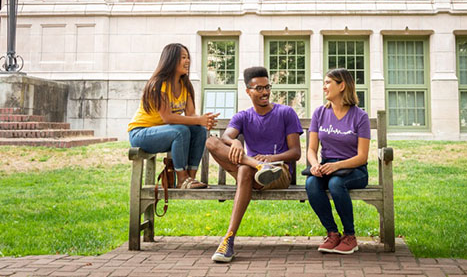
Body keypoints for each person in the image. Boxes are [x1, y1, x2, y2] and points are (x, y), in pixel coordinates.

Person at [206, 66, 303, 262]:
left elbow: (296, 153)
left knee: (244, 171)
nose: (265, 92)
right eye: (259, 88)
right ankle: (255, 165)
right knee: (211, 142)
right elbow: (224, 137)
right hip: (254, 171)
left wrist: (270, 159)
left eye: (267, 87)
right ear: (248, 91)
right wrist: (235, 142)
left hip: (279, 171)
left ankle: (228, 239)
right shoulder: (243, 116)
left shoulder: (286, 113)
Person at [127, 43, 219, 189]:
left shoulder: (185, 86)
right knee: (180, 131)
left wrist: (203, 122)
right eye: (183, 57)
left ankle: (190, 178)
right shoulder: (159, 84)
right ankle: (182, 179)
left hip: (164, 133)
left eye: (188, 57)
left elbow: (190, 115)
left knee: (198, 131)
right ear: (171, 60)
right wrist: (198, 119)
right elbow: (167, 118)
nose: (187, 61)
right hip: (141, 133)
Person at [306, 68, 371, 254]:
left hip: (354, 170)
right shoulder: (320, 113)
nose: (324, 87)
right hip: (327, 166)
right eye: (324, 83)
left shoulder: (360, 117)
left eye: (328, 82)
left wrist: (337, 165)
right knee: (311, 183)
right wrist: (315, 165)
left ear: (342, 85)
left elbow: (362, 157)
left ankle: (350, 236)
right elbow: (311, 149)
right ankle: (333, 233)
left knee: (336, 183)